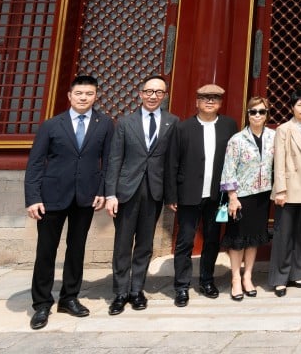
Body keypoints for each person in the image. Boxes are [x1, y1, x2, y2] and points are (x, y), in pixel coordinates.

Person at [24, 75, 114, 330]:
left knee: (77, 249)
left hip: (85, 197)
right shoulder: (52, 125)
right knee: (46, 251)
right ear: (70, 96)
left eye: (89, 94)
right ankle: (42, 304)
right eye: (79, 94)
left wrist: (102, 190)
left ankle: (69, 298)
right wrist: (33, 198)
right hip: (51, 196)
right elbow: (35, 164)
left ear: (96, 96)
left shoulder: (105, 124)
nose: (83, 98)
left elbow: (108, 162)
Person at [104, 74, 178, 316]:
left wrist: (171, 196)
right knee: (123, 243)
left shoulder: (172, 122)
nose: (153, 96)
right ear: (140, 93)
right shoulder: (125, 123)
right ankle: (120, 292)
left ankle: (137, 290)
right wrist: (110, 194)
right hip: (127, 190)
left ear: (164, 96)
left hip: (154, 190)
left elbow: (172, 163)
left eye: (158, 92)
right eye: (149, 91)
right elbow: (115, 160)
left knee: (145, 244)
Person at [164, 83, 238, 307]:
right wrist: (171, 196)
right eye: (205, 98)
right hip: (188, 193)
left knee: (212, 238)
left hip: (220, 195)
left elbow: (233, 161)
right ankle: (182, 286)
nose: (210, 101)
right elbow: (171, 163)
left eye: (214, 98)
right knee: (185, 241)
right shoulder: (182, 128)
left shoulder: (228, 125)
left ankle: (207, 280)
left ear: (220, 103)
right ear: (197, 102)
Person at [220, 96, 275, 301]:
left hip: (262, 194)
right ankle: (235, 278)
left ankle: (248, 276)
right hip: (242, 195)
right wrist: (232, 197)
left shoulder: (273, 136)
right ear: (248, 114)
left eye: (261, 111)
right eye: (253, 112)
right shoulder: (237, 139)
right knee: (238, 240)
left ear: (267, 114)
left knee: (254, 238)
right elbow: (229, 170)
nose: (257, 115)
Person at [269, 88, 301, 296]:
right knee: (284, 234)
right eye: (300, 104)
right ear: (292, 107)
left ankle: (297, 274)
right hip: (289, 188)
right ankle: (280, 278)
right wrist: (280, 189)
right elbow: (279, 160)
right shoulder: (284, 129)